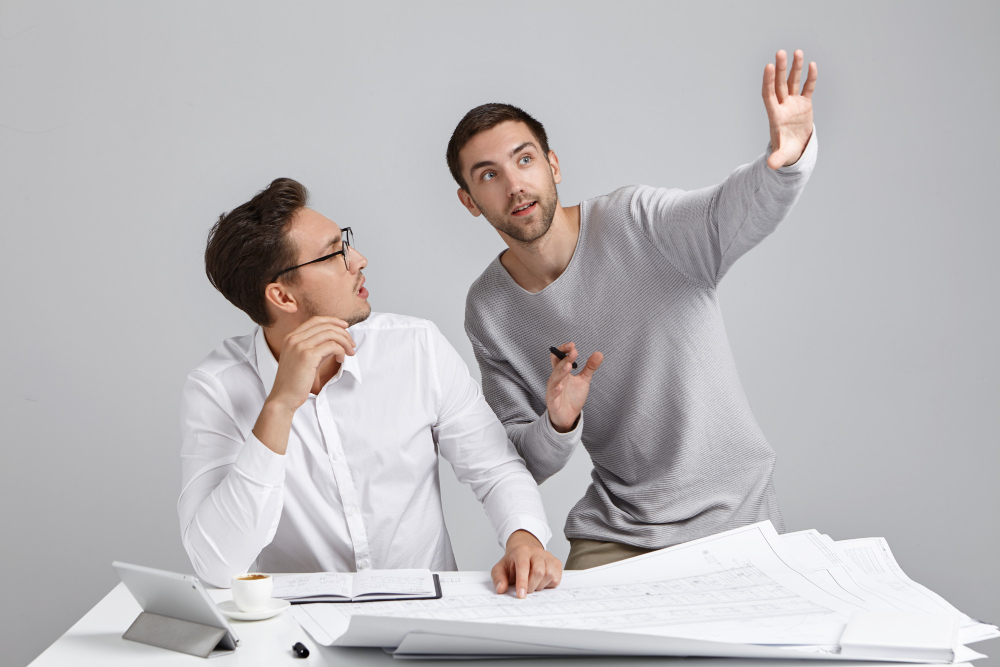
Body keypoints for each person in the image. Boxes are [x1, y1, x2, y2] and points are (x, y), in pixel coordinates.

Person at [449, 50, 819, 570]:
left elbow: (727, 212)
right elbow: (518, 461)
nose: (515, 185)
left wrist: (787, 155)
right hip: (618, 527)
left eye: (525, 160)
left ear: (552, 165)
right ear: (469, 200)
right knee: (557, 643)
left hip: (734, 517)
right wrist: (557, 422)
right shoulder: (489, 307)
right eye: (489, 175)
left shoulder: (637, 222)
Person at [178, 178, 562, 597]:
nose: (359, 259)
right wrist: (280, 406)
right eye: (332, 254)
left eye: (346, 242)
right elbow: (216, 563)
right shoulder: (217, 387)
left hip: (428, 616)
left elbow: (496, 469)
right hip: (304, 632)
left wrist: (524, 538)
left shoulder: (417, 347)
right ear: (282, 297)